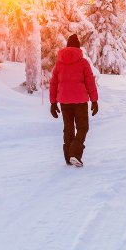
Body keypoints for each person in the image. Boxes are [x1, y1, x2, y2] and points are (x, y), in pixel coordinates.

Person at [49, 34, 99, 167]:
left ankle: (68, 156)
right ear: (78, 47)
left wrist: (53, 103)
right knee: (83, 127)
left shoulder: (59, 63)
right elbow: (90, 83)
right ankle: (75, 154)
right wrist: (94, 101)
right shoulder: (83, 62)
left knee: (68, 128)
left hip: (64, 102)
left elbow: (53, 83)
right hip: (80, 102)